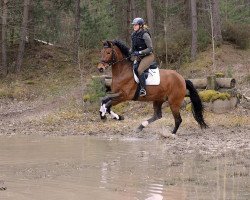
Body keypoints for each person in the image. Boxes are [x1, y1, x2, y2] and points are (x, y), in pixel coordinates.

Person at [130, 17, 154, 97]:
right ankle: (142, 80)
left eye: (136, 25)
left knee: (140, 70)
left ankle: (143, 89)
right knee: (134, 68)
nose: (134, 26)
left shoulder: (145, 34)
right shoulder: (133, 35)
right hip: (139, 57)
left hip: (148, 56)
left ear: (140, 25)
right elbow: (132, 48)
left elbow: (150, 49)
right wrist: (129, 53)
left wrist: (140, 52)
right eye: (133, 25)